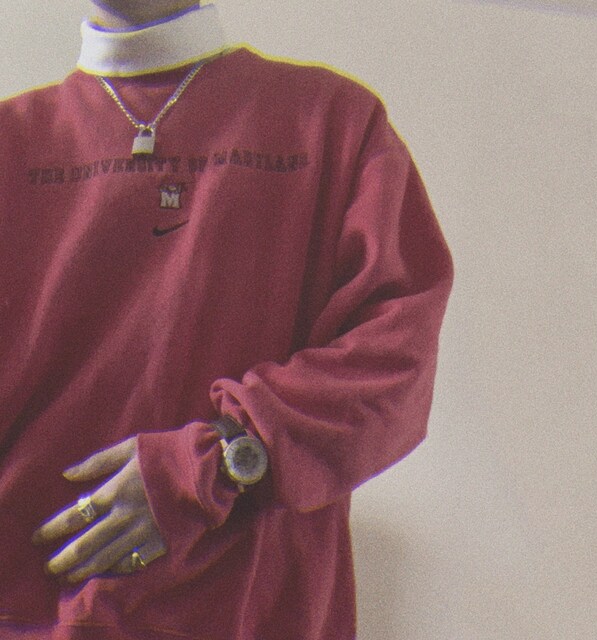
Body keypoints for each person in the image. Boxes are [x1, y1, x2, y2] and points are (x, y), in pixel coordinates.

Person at [0, 1, 453, 638]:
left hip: (251, 613)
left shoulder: (333, 123)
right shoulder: (10, 140)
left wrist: (214, 462)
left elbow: (395, 359)